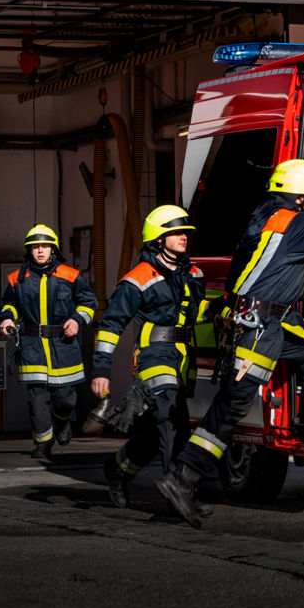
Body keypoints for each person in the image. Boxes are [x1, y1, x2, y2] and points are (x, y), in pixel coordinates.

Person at [155, 158, 304, 528]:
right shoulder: (291, 222)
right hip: (258, 329)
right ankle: (181, 479)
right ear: (298, 198)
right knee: (230, 409)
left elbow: (267, 272)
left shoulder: (269, 219)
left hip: (270, 318)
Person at [91, 205, 209, 510]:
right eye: (176, 233)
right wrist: (102, 370)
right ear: (159, 239)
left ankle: (118, 468)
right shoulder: (138, 279)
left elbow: (198, 313)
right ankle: (179, 495)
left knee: (162, 427)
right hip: (154, 357)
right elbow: (111, 325)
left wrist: (222, 314)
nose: (184, 237)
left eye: (185, 232)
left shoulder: (193, 273)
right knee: (172, 423)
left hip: (183, 359)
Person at [0, 224, 97, 460]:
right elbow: (8, 304)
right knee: (37, 399)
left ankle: (62, 421)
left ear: (53, 249)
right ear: (29, 250)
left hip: (63, 346)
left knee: (64, 398)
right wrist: (7, 319)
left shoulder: (70, 275)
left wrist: (76, 319)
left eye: (45, 246)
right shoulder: (17, 279)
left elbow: (89, 303)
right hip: (32, 346)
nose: (40, 250)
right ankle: (43, 443)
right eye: (35, 247)